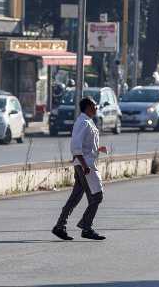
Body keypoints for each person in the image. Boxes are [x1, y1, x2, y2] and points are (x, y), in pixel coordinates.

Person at [52, 97, 108, 241]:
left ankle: (60, 226)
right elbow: (76, 145)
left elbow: (85, 144)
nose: (96, 107)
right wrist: (84, 165)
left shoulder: (87, 121)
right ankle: (86, 226)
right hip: (86, 165)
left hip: (84, 162)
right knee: (97, 196)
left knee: (76, 197)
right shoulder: (83, 122)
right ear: (89, 107)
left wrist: (98, 148)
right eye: (95, 105)